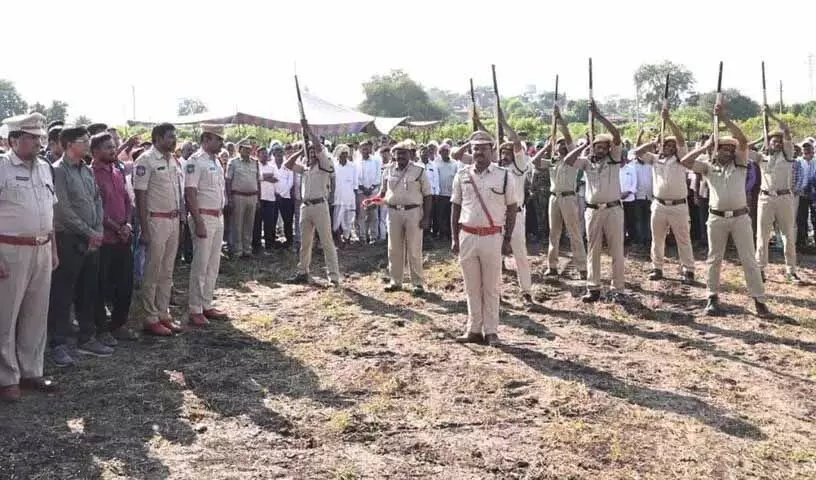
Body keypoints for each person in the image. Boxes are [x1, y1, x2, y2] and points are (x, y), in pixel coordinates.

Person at [679, 102, 769, 317]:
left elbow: (744, 141)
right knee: (714, 258)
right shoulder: (707, 167)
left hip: (740, 218)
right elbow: (684, 161)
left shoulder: (741, 164)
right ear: (716, 150)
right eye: (723, 148)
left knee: (748, 259)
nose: (728, 151)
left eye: (730, 148)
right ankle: (711, 297)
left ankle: (759, 300)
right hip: (716, 218)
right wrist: (706, 145)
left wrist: (725, 118)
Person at [0, 113, 59, 401]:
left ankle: (31, 371)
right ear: (13, 140)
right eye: (31, 137)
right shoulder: (1, 168)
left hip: (43, 248)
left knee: (36, 313)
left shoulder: (45, 168)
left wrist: (54, 249)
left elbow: (51, 212)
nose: (38, 142)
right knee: (6, 316)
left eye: (40, 137)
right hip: (10, 251)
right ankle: (6, 377)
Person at [48, 125, 110, 365]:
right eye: (83, 141)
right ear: (69, 144)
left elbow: (97, 200)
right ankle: (58, 343)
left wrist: (98, 231)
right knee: (63, 293)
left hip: (91, 239)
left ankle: (87, 338)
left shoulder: (86, 170)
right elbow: (62, 210)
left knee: (88, 290)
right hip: (69, 240)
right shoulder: (58, 171)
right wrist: (89, 232)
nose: (87, 144)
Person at [450, 131, 517, 346]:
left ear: (492, 150)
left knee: (491, 287)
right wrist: (454, 238)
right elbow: (456, 207)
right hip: (467, 235)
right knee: (471, 286)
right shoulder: (461, 175)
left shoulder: (504, 175)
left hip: (492, 237)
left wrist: (507, 239)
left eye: (483, 148)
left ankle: (491, 332)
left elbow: (512, 208)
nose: (479, 152)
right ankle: (473, 329)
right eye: (475, 148)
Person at [563, 102, 625, 303]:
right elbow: (567, 161)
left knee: (616, 249)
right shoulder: (586, 161)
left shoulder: (614, 159)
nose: (600, 149)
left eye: (603, 147)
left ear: (608, 149)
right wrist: (583, 146)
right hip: (592, 211)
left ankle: (618, 288)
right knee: (593, 250)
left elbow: (616, 134)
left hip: (613, 209)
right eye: (597, 146)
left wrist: (598, 116)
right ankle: (593, 286)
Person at [632, 106, 694, 284]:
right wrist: (651, 144)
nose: (670, 147)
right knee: (657, 239)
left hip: (679, 206)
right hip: (659, 205)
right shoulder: (654, 158)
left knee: (683, 239)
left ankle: (688, 269)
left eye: (672, 145)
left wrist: (668, 120)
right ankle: (657, 267)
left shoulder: (682, 158)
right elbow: (637, 152)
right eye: (666, 144)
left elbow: (681, 140)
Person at [134, 123, 183, 336]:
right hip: (155, 221)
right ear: (157, 138)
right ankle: (150, 316)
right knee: (153, 270)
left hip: (173, 220)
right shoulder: (145, 160)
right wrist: (144, 228)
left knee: (168, 270)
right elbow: (140, 197)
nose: (174, 140)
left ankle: (164, 312)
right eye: (170, 137)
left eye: (175, 137)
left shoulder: (173, 160)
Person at [91, 132, 136, 348]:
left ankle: (119, 325)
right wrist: (116, 227)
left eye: (114, 146)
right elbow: (96, 209)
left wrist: (127, 224)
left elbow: (127, 200)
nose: (113, 150)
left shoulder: (117, 171)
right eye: (108, 147)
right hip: (105, 239)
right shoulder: (91, 174)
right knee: (100, 286)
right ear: (95, 151)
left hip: (123, 238)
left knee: (125, 284)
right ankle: (101, 329)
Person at [532, 108, 587, 279]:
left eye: (564, 144)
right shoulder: (553, 161)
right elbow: (535, 161)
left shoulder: (573, 161)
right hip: (554, 198)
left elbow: (569, 138)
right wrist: (548, 146)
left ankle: (582, 267)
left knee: (574, 232)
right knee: (553, 233)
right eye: (559, 144)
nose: (562, 146)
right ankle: (552, 265)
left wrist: (560, 119)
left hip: (569, 197)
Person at [184, 125, 229, 326]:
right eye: (218, 139)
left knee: (213, 264)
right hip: (203, 217)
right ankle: (195, 308)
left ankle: (206, 303)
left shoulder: (216, 161)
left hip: (218, 217)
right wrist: (199, 221)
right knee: (200, 264)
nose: (221, 143)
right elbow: (190, 193)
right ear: (207, 138)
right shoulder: (195, 161)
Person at [285, 124, 340, 286]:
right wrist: (302, 150)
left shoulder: (324, 164)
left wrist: (308, 131)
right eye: (309, 152)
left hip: (320, 206)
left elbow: (318, 147)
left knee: (326, 241)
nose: (311, 154)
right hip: (305, 207)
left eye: (313, 152)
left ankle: (334, 277)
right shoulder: (306, 168)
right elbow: (288, 165)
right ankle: (303, 271)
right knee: (305, 242)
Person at [752, 108, 799, 285]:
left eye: (779, 141)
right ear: (768, 142)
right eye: (774, 140)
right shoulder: (760, 157)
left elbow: (786, 130)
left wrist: (771, 115)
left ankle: (791, 270)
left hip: (784, 198)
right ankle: (760, 268)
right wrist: (760, 138)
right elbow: (743, 147)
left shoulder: (788, 154)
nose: (777, 143)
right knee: (762, 235)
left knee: (788, 234)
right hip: (765, 199)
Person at [379, 140, 432, 294]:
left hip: (413, 212)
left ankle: (417, 283)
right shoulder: (387, 170)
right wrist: (374, 200)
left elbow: (428, 195)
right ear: (393, 155)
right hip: (393, 212)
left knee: (414, 248)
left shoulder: (419, 171)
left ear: (410, 154)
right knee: (393, 248)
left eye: (404, 153)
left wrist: (426, 217)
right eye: (398, 153)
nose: (401, 156)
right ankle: (395, 281)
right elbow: (383, 192)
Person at [226, 138, 260, 258]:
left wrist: (258, 198)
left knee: (249, 225)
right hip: (238, 196)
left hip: (252, 196)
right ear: (239, 149)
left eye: (249, 149)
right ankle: (237, 250)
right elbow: (228, 181)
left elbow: (258, 180)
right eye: (245, 149)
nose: (248, 151)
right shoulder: (233, 162)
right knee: (237, 224)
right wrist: (229, 198)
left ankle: (247, 249)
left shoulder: (255, 162)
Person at [267, 142, 295, 249]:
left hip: (286, 197)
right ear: (273, 155)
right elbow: (270, 180)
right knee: (272, 220)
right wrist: (276, 193)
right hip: (273, 197)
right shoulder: (270, 166)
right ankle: (272, 242)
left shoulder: (288, 165)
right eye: (277, 154)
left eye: (280, 154)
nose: (279, 156)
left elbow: (291, 182)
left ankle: (289, 241)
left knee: (287, 220)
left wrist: (282, 194)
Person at [355, 140, 382, 244]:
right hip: (361, 192)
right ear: (360, 150)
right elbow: (356, 178)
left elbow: (378, 176)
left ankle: (373, 237)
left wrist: (370, 188)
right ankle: (363, 236)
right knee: (362, 215)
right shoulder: (356, 162)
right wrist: (363, 188)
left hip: (373, 192)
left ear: (369, 149)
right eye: (362, 148)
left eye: (366, 148)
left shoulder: (376, 161)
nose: (365, 150)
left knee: (373, 214)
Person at [332, 144, 358, 244]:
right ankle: (339, 239)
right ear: (338, 154)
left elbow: (355, 184)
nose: (344, 155)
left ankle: (346, 239)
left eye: (346, 153)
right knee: (336, 220)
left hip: (349, 197)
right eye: (342, 153)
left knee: (348, 219)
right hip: (337, 197)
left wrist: (354, 199)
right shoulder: (334, 166)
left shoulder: (353, 166)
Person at [433, 143, 458, 240]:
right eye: (443, 151)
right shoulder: (436, 163)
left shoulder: (455, 163)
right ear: (440, 152)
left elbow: (457, 177)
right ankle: (442, 234)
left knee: (450, 215)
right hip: (441, 194)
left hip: (452, 193)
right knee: (441, 215)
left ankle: (450, 234)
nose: (445, 153)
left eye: (447, 151)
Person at [794, 141, 815, 251]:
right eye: (806, 150)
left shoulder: (814, 162)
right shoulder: (798, 162)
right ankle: (802, 242)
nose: (808, 152)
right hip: (800, 194)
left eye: (810, 150)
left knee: (813, 219)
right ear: (802, 151)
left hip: (812, 194)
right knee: (801, 218)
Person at [255, 146, 276, 252]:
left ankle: (269, 245)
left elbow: (276, 179)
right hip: (259, 198)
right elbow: (255, 178)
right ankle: (257, 245)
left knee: (269, 223)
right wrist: (266, 177)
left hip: (270, 198)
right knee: (257, 223)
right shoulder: (255, 166)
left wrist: (262, 178)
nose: (264, 155)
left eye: (266, 153)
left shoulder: (272, 166)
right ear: (257, 155)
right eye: (262, 153)